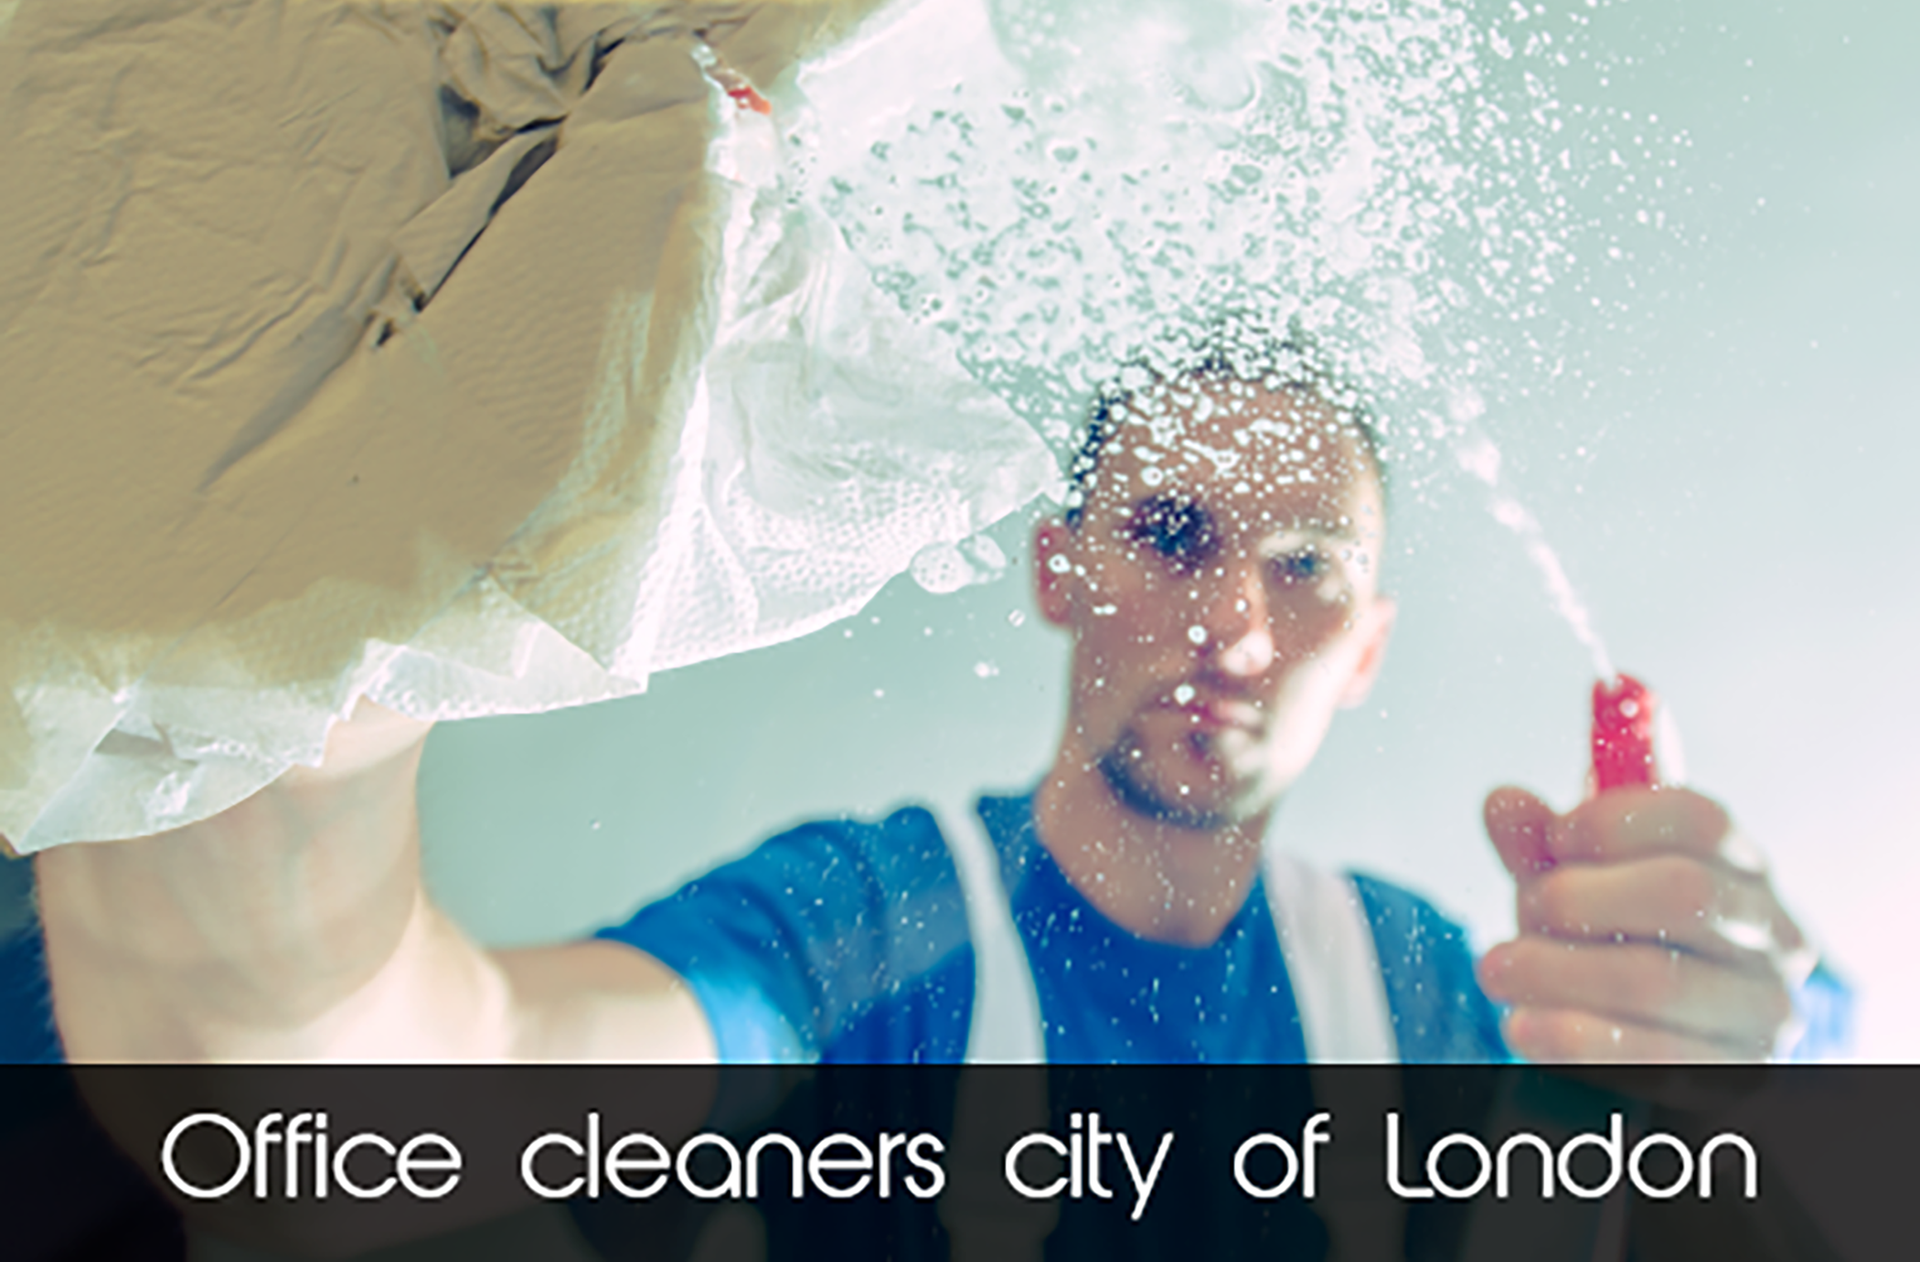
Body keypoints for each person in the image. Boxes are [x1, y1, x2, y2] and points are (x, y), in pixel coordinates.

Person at [15, 320, 1825, 1073]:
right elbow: (441, 1071)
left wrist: (1766, 1034)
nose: (1237, 626)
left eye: (1308, 571)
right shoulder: (867, 931)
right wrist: (298, 644)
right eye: (1175, 532)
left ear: (1371, 644)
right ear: (1059, 567)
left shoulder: (1442, 992)